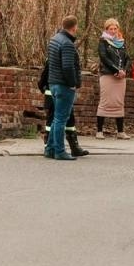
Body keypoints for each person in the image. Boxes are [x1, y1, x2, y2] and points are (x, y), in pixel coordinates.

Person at [44, 17, 82, 160]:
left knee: (56, 118)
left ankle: (50, 148)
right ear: (74, 27)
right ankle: (59, 151)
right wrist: (72, 83)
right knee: (61, 119)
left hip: (53, 83)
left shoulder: (54, 39)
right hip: (63, 85)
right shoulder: (67, 44)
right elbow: (67, 67)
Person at [37, 59, 87, 158]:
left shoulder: (59, 54)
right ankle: (51, 146)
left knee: (69, 120)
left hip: (59, 91)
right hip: (55, 93)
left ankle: (73, 146)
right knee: (54, 120)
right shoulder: (56, 57)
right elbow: (45, 75)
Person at [96, 18, 128, 137]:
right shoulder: (103, 42)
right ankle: (99, 131)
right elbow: (104, 58)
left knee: (119, 102)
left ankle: (120, 131)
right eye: (111, 29)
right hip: (108, 75)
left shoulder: (121, 42)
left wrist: (123, 70)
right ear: (106, 29)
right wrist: (116, 69)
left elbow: (127, 58)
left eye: (115, 28)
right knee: (105, 101)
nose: (113, 31)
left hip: (121, 76)